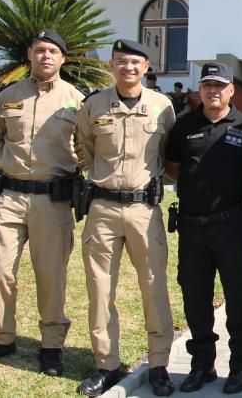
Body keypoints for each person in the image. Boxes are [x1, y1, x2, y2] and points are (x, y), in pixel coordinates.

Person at [0, 29, 84, 376]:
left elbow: (87, 150)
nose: (45, 56)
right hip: (10, 197)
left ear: (62, 58)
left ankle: (51, 344)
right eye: (39, 50)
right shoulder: (7, 97)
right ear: (29, 56)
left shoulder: (77, 100)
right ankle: (2, 338)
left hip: (54, 200)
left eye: (52, 51)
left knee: (51, 274)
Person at [76, 39, 176, 397]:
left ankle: (160, 363)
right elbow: (83, 149)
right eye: (121, 62)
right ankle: (107, 364)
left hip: (143, 210)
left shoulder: (162, 106)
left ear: (146, 68)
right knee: (100, 288)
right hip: (102, 208)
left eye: (135, 62)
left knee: (154, 287)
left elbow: (168, 153)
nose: (128, 68)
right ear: (111, 66)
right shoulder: (94, 105)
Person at [164, 62, 242, 394]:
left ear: (231, 90)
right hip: (191, 227)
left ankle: (240, 366)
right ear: (199, 90)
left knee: (238, 296)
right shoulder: (183, 125)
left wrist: (233, 193)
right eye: (207, 85)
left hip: (231, 224)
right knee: (195, 297)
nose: (213, 91)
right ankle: (201, 364)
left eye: (220, 85)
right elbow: (174, 167)